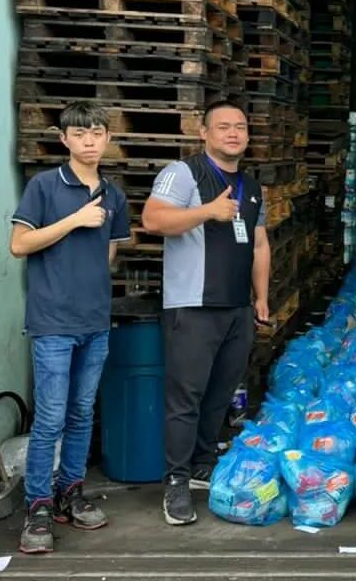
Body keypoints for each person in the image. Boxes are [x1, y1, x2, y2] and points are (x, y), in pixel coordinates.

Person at [142, 101, 271, 525]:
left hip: (236, 306)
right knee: (186, 398)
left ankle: (200, 464)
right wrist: (207, 212)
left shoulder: (251, 185)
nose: (233, 133)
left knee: (220, 395)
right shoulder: (183, 173)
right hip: (193, 305)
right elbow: (154, 220)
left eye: (240, 127)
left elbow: (259, 244)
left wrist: (261, 297)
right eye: (223, 127)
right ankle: (175, 483)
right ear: (204, 133)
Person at [10, 100, 130, 554]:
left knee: (82, 413)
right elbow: (20, 244)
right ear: (64, 140)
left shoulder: (114, 195)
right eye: (80, 134)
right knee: (51, 417)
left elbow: (109, 254)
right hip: (53, 322)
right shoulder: (45, 186)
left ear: (107, 139)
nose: (89, 141)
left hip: (94, 321)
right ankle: (38, 505)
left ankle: (69, 492)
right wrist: (75, 220)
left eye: (97, 133)